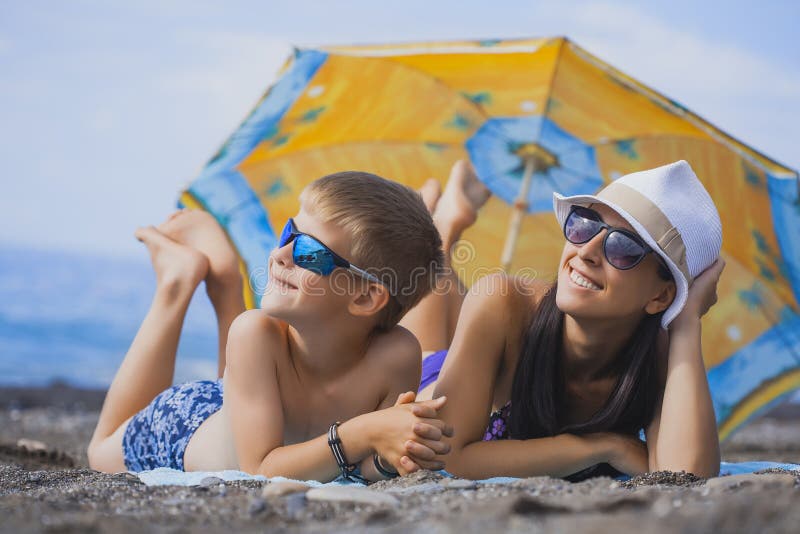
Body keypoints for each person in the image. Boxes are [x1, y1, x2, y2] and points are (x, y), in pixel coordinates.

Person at [87, 171, 454, 482]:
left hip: (245, 406)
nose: (280, 255)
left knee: (241, 391)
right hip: (181, 426)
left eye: (308, 251)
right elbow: (260, 470)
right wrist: (362, 433)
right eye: (288, 234)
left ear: (364, 298)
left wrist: (397, 455)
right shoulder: (254, 333)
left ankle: (224, 283)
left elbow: (371, 462)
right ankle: (177, 284)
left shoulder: (397, 355)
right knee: (99, 453)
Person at [401, 159, 724, 480]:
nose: (586, 251)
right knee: (422, 348)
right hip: (438, 381)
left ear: (660, 297)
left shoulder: (658, 355)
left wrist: (686, 324)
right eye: (585, 224)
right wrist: (602, 446)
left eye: (623, 247)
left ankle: (443, 225)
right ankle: (442, 228)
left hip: (485, 362)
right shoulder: (502, 300)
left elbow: (686, 476)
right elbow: (450, 458)